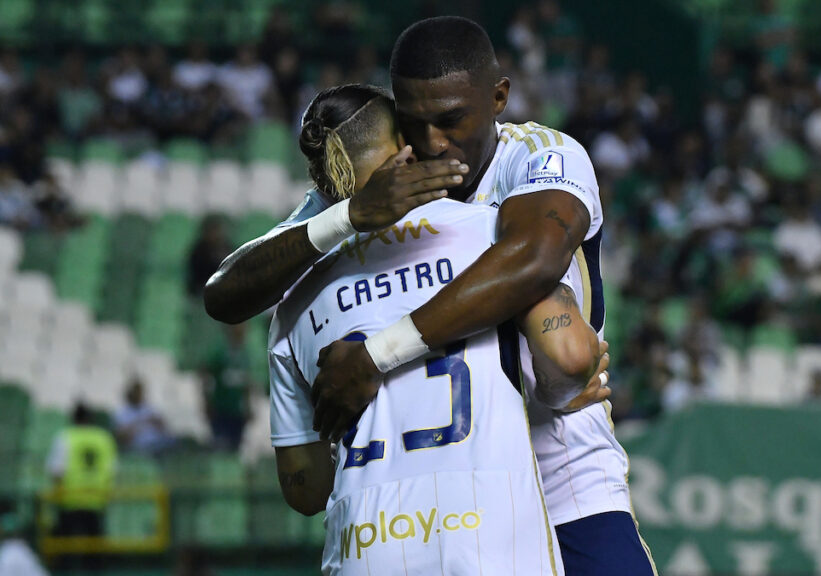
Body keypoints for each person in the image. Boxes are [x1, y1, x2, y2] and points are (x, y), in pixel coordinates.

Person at [207, 17, 656, 575]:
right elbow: (225, 293)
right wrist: (347, 215)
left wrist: (375, 356)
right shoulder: (387, 181)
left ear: (499, 97)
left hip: (566, 479)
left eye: (451, 120)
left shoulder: (539, 154)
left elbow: (534, 258)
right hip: (448, 509)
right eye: (415, 124)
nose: (434, 142)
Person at [268, 84, 605, 574]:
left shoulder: (292, 303)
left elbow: (306, 490)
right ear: (404, 149)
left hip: (367, 550)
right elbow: (569, 353)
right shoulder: (488, 236)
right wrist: (568, 382)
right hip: (493, 543)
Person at [46, 404, 117, 569]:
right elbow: (112, 470)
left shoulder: (65, 436)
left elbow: (56, 472)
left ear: (73, 418)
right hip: (97, 501)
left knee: (67, 553)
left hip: (70, 500)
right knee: (94, 554)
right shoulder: (103, 438)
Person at [113, 378, 175, 455]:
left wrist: (156, 421)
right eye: (136, 392)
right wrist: (138, 424)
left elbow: (164, 426)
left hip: (157, 441)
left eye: (140, 392)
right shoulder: (122, 412)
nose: (139, 395)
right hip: (140, 447)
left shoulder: (148, 408)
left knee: (174, 441)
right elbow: (121, 436)